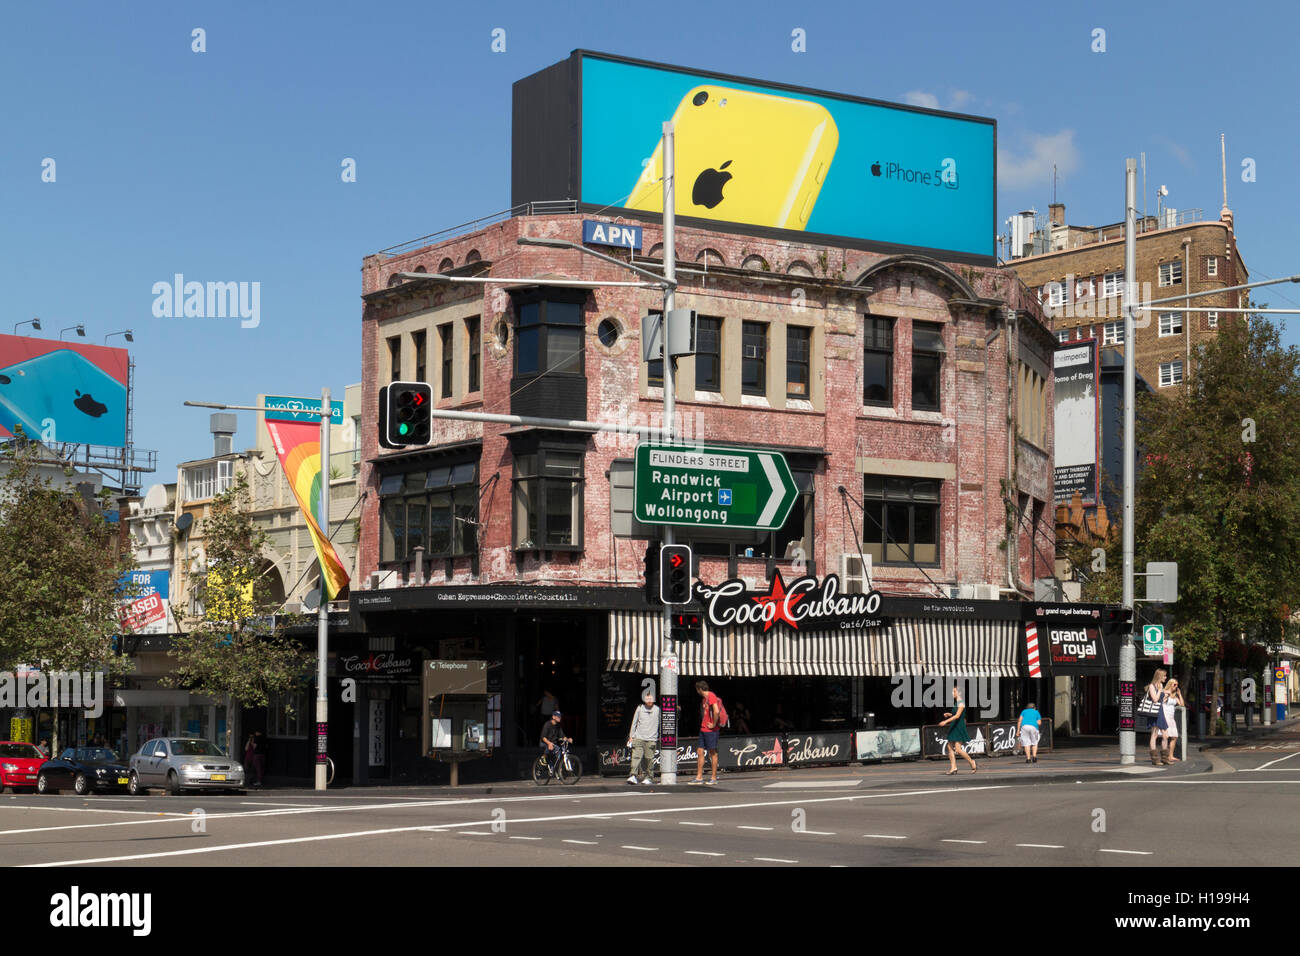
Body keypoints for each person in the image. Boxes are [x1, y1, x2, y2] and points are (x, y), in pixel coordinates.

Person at [939, 685, 977, 775]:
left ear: (959, 693)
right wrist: (949, 714)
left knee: (958, 749)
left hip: (959, 727)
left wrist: (945, 721)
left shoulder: (961, 703)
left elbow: (957, 716)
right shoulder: (957, 702)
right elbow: (955, 715)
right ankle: (953, 767)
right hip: (955, 725)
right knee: (949, 746)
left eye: (954, 691)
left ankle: (972, 762)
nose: (952, 693)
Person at [626, 690, 661, 785]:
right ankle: (633, 775)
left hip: (651, 739)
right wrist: (631, 736)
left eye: (651, 698)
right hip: (638, 737)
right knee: (636, 757)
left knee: (649, 759)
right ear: (644, 699)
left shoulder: (657, 709)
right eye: (647, 698)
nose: (649, 700)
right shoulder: (640, 708)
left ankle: (649, 777)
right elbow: (634, 722)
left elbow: (661, 724)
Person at [691, 680, 721, 785]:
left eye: (697, 690)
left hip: (711, 730)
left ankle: (713, 777)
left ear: (699, 689)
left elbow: (716, 711)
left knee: (712, 752)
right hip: (703, 728)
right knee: (700, 751)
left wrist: (713, 724)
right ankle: (699, 777)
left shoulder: (711, 695)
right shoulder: (704, 699)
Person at [1146, 668, 1168, 766]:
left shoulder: (1161, 686)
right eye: (1164, 676)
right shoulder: (1152, 686)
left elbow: (1161, 700)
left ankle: (1165, 758)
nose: (1165, 678)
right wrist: (1160, 690)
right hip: (1154, 712)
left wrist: (1165, 695)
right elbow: (1155, 699)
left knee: (1165, 735)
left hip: (1161, 711)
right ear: (1159, 676)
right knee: (1154, 734)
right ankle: (1155, 759)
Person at [1162, 678, 1186, 763]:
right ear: (1170, 684)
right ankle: (1165, 756)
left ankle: (1170, 756)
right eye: (1174, 684)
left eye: (1177, 685)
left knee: (1174, 736)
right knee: (1166, 737)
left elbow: (1182, 705)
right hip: (1165, 717)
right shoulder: (1165, 692)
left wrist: (1179, 694)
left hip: (1171, 719)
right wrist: (1166, 694)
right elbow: (1161, 702)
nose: (1176, 686)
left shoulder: (1175, 696)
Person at [1016, 699, 1042, 764]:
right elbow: (1039, 723)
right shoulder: (1036, 712)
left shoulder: (1024, 711)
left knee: (1026, 743)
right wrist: (1033, 722)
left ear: (1027, 707)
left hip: (1024, 727)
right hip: (1033, 727)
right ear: (1034, 708)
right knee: (1034, 742)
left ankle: (1028, 759)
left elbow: (1019, 721)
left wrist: (1018, 731)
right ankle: (1034, 757)